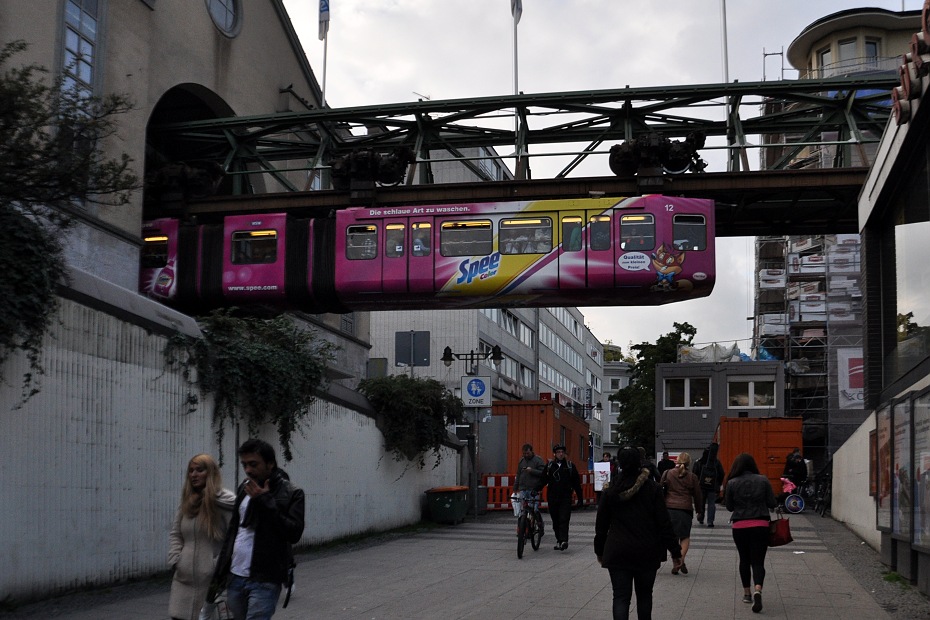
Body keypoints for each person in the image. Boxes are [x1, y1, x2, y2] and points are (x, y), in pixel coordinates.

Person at [210, 439, 305, 620]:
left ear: (270, 464)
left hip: (265, 579)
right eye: (244, 464)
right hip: (236, 576)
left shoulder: (292, 492)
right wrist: (221, 572)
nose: (248, 470)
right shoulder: (244, 488)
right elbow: (233, 532)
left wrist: (266, 502)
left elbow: (294, 533)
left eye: (253, 464)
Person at [594, 447, 683, 620]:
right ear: (639, 463)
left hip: (618, 550)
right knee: (644, 597)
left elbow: (601, 524)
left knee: (620, 597)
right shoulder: (653, 489)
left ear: (619, 463)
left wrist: (600, 549)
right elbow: (664, 523)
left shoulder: (611, 489)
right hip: (647, 551)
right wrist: (675, 551)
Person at [168, 454, 236, 620]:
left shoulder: (225, 502)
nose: (194, 474)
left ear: (210, 472)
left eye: (199, 470)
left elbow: (234, 540)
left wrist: (215, 566)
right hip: (183, 582)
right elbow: (176, 534)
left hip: (212, 585)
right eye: (191, 471)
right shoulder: (187, 503)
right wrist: (176, 559)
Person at [725, 452, 777, 614]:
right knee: (758, 561)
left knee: (744, 559)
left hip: (740, 526)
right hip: (760, 525)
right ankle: (758, 589)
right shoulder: (763, 480)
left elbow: (729, 506)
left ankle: (747, 594)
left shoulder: (732, 483)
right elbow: (772, 502)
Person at [659, 451, 702, 576]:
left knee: (673, 538)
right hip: (685, 509)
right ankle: (681, 560)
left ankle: (675, 564)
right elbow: (698, 495)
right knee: (684, 537)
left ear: (676, 461)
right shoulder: (692, 476)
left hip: (669, 509)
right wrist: (699, 510)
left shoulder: (667, 473)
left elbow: (660, 489)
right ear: (689, 462)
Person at [543, 444, 584, 550]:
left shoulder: (570, 466)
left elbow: (576, 483)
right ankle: (559, 540)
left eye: (562, 452)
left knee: (564, 519)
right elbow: (543, 480)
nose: (561, 454)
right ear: (555, 454)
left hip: (565, 498)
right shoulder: (550, 466)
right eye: (558, 452)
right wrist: (535, 489)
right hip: (552, 497)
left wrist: (580, 498)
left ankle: (564, 540)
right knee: (555, 520)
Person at [692, 443, 725, 527]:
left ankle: (701, 517)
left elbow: (694, 473)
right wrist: (718, 484)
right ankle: (710, 521)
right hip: (712, 486)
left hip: (701, 486)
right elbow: (722, 473)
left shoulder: (699, 462)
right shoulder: (716, 462)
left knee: (701, 502)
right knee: (711, 503)